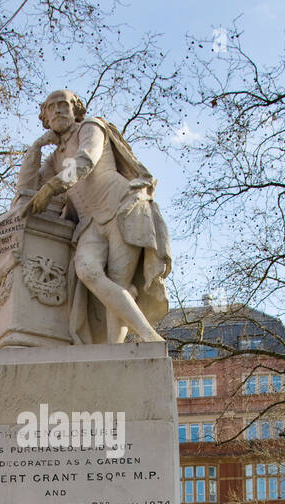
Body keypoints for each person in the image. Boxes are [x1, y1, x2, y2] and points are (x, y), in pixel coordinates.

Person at [16, 89, 172, 345]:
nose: (57, 110)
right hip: (89, 223)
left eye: (63, 105)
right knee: (87, 271)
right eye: (51, 107)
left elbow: (86, 159)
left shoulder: (91, 127)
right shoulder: (55, 158)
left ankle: (129, 345)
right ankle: (143, 332)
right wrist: (35, 148)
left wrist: (52, 187)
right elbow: (27, 189)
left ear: (75, 110)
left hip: (121, 208)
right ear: (45, 117)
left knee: (116, 280)